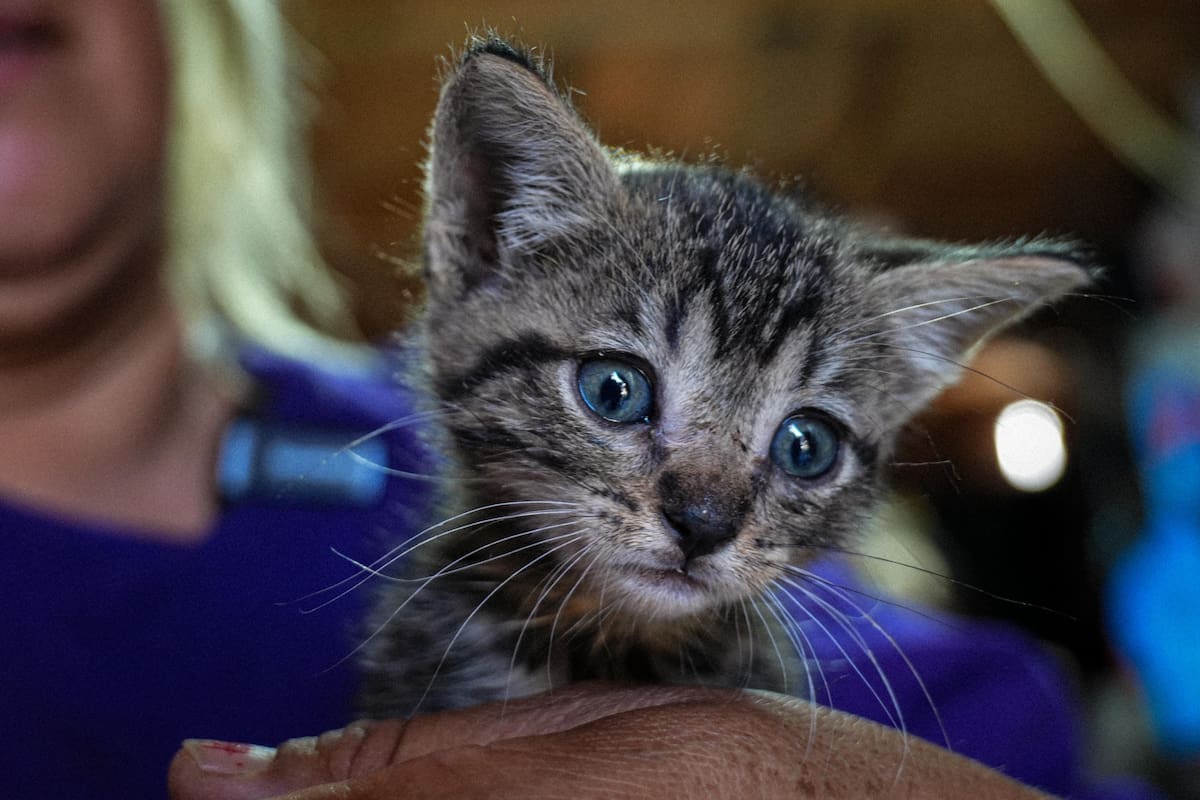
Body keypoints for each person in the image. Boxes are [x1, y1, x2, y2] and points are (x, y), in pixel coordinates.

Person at [0, 1, 1119, 798]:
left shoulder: (797, 660)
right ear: (486, 245)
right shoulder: (419, 593)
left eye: (805, 441)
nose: (710, 508)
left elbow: (1019, 729)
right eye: (619, 388)